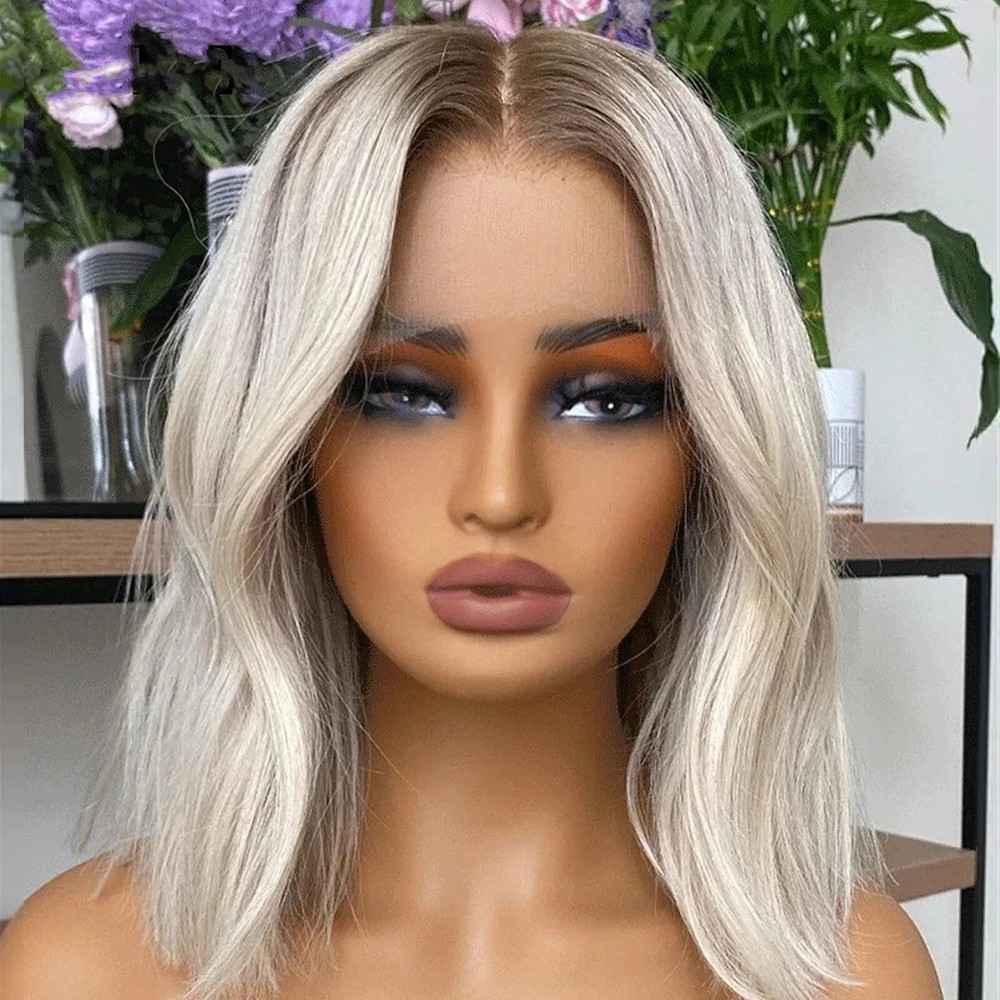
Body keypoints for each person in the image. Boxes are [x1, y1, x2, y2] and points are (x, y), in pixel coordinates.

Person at [0, 20, 943, 1000]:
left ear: (712, 447)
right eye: (402, 393)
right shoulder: (85, 970)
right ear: (286, 434)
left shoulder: (849, 975)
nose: (500, 496)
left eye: (605, 400)